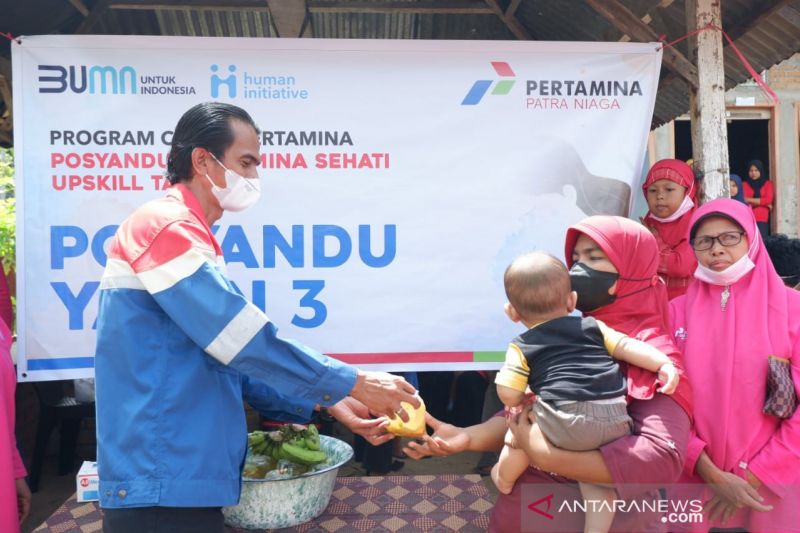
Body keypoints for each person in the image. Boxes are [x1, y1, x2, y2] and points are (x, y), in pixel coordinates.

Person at [95, 102, 419, 532]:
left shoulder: (191, 234)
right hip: (162, 470)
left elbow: (231, 362)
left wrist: (336, 403)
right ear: (202, 160)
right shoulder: (164, 226)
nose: (253, 178)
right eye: (245, 163)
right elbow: (242, 342)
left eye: (257, 166)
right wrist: (355, 382)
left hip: (183, 469)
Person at [405, 216, 694, 533]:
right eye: (575, 259)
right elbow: (523, 414)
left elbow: (660, 460)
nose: (576, 271)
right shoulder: (561, 333)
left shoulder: (654, 356)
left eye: (594, 258)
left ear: (631, 273)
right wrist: (466, 437)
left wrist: (547, 455)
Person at [493, 252, 678, 533]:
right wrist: (663, 364)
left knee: (517, 435)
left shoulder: (522, 344)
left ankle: (503, 478)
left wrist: (519, 400)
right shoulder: (593, 327)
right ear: (572, 301)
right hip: (615, 420)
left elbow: (507, 392)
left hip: (564, 420)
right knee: (596, 485)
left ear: (512, 312)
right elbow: (626, 347)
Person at [669, 198, 800, 531]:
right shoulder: (675, 312)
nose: (716, 249)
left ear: (751, 239)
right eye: (704, 240)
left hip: (772, 484)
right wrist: (710, 473)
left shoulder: (792, 309)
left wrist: (750, 477)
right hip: (696, 482)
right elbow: (666, 404)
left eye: (729, 237)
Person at [641, 159, 698, 300]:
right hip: (652, 303)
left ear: (687, 191)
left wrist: (653, 241)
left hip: (684, 304)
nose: (659, 196)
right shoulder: (649, 221)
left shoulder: (696, 223)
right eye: (652, 190)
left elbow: (681, 266)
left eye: (669, 189)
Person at [742, 159, 773, 239]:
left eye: (756, 170)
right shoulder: (744, 184)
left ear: (761, 171)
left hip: (762, 218)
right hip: (747, 217)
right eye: (751, 170)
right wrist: (763, 203)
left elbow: (768, 200)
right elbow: (742, 200)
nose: (753, 173)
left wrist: (748, 200)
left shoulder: (768, 184)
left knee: (762, 241)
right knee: (750, 241)